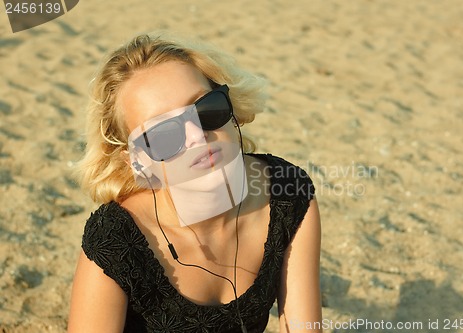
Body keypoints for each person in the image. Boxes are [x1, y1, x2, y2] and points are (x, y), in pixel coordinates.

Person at [68, 32, 321, 333]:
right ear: (136, 161)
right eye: (163, 134)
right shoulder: (116, 241)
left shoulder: (287, 193)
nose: (197, 137)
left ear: (233, 111)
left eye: (206, 109)